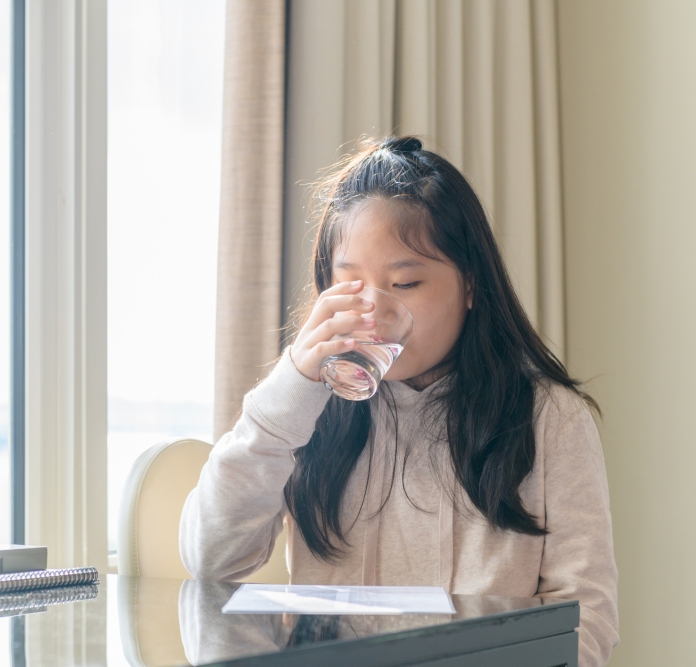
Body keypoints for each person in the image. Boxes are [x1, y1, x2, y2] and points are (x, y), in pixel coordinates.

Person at [179, 136, 618, 666]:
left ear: (471, 286)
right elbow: (210, 561)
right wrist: (292, 383)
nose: (374, 310)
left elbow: (585, 618)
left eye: (404, 283)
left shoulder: (548, 419)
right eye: (349, 284)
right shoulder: (306, 408)